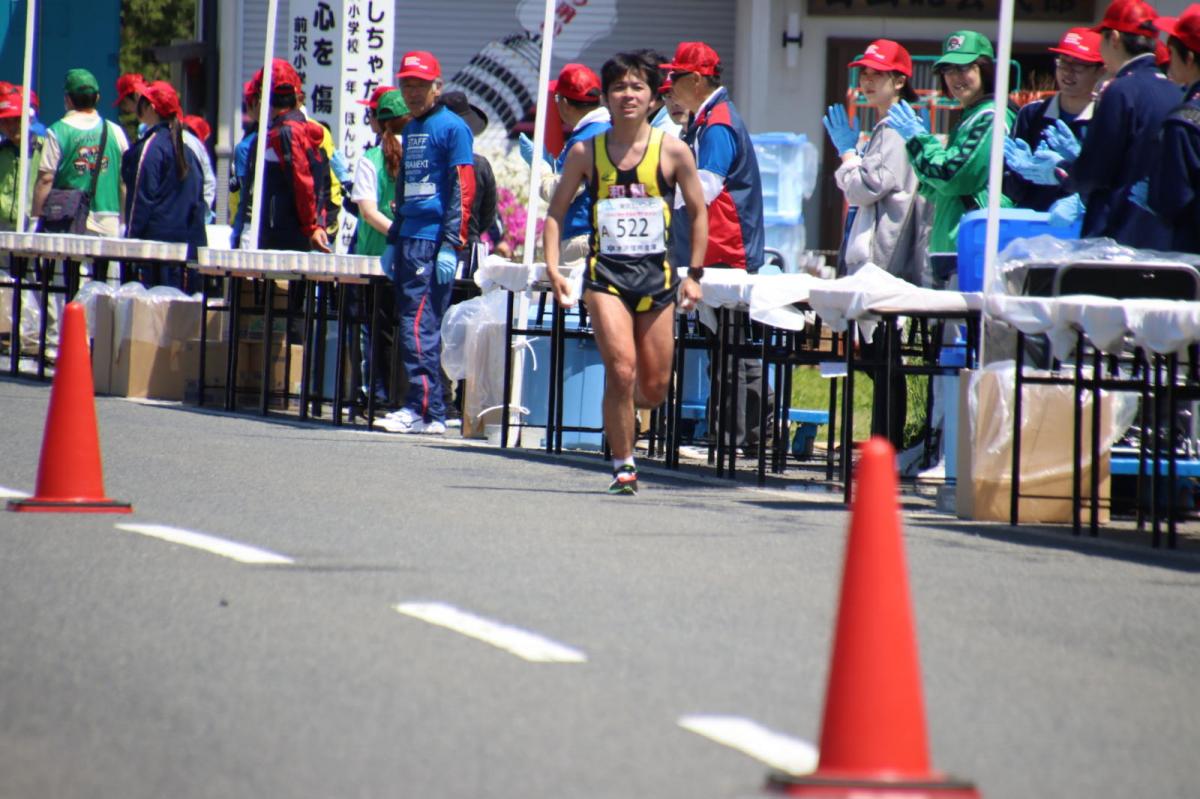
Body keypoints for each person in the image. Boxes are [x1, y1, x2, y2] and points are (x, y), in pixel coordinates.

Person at [544, 51, 708, 495]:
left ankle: (623, 404)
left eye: (637, 87)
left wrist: (694, 274)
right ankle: (623, 465)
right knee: (620, 368)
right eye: (619, 87)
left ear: (654, 98)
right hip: (606, 279)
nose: (628, 95)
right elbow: (556, 213)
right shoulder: (586, 152)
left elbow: (698, 212)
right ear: (606, 97)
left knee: (652, 389)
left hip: (657, 280)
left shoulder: (673, 151)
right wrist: (553, 267)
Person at [662, 40, 771, 458]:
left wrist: (659, 194)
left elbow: (705, 185)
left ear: (696, 79)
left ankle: (730, 438)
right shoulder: (706, 118)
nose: (670, 86)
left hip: (729, 248)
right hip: (720, 247)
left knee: (729, 347)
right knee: (729, 345)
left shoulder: (719, 122)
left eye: (675, 77)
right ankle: (747, 433)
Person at [824, 39, 929, 450]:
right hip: (881, 256)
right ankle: (886, 444)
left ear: (899, 81)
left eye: (876, 74)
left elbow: (867, 187)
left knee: (883, 361)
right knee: (879, 359)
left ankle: (888, 446)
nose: (866, 82)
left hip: (884, 259)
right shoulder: (889, 125)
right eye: (863, 74)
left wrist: (848, 155)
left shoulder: (894, 128)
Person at [377, 50, 475, 435]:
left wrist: (451, 243)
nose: (413, 93)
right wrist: (393, 236)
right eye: (407, 85)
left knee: (417, 326)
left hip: (433, 242)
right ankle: (429, 409)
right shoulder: (414, 128)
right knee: (414, 325)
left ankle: (424, 409)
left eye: (420, 85)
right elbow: (405, 186)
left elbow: (463, 187)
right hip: (409, 239)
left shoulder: (453, 128)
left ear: (438, 86)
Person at [1057, 0, 1181, 248]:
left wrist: (1061, 171)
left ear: (1113, 38)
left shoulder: (1120, 90)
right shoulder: (1176, 92)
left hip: (1117, 237)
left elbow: (1095, 171)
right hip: (1165, 239)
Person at [886, 31, 1015, 258]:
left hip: (977, 247)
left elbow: (951, 177)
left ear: (984, 69)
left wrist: (919, 140)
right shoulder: (971, 115)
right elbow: (938, 188)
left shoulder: (991, 116)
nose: (956, 77)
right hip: (955, 245)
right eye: (948, 70)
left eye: (964, 68)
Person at [350, 90, 410, 408]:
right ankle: (407, 399)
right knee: (409, 329)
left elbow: (369, 212)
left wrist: (396, 233)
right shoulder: (421, 155)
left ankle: (380, 396)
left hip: (375, 258)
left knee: (377, 331)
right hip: (414, 257)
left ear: (378, 121)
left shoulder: (370, 159)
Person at [1003, 29, 1105, 214]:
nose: (1068, 72)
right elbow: (1010, 189)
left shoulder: (1108, 117)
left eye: (1079, 65)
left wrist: (1075, 166)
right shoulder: (1031, 114)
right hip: (1032, 224)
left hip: (1086, 227)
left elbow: (1110, 187)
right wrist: (1022, 173)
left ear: (1100, 70)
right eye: (1063, 63)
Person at [121, 80, 207, 284]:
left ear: (151, 108)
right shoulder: (187, 151)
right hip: (182, 253)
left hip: (151, 252)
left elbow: (140, 200)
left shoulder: (151, 148)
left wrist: (130, 242)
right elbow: (198, 206)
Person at [528, 63, 610, 268]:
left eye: (556, 99)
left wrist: (541, 168)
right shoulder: (607, 131)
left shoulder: (586, 139)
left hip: (581, 242)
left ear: (564, 102)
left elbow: (560, 192)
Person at [32, 68, 129, 238]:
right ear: (97, 98)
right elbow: (124, 182)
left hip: (68, 217)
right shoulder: (115, 131)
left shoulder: (57, 131)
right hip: (109, 220)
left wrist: (35, 218)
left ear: (67, 99)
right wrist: (123, 221)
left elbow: (45, 179)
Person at [1135, 6, 1200, 253]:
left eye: (1171, 53)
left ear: (1189, 58)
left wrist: (1153, 193)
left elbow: (1173, 200)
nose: (1167, 60)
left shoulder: (1184, 122)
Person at [0, 86, 42, 231]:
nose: (11, 126)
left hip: (35, 229)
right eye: (5, 121)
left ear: (29, 118)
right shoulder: (2, 151)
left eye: (17, 119)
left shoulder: (45, 149)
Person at [181, 114, 217, 221]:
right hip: (194, 208)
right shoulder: (197, 145)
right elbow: (209, 181)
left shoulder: (169, 137)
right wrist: (205, 207)